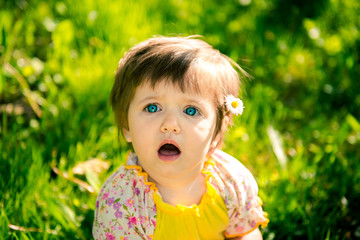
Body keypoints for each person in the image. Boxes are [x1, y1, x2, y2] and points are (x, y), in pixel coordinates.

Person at [93, 36, 269, 240]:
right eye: (152, 108)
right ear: (127, 126)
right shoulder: (120, 202)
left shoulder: (231, 181)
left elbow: (244, 234)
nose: (170, 124)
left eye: (191, 111)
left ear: (216, 133)